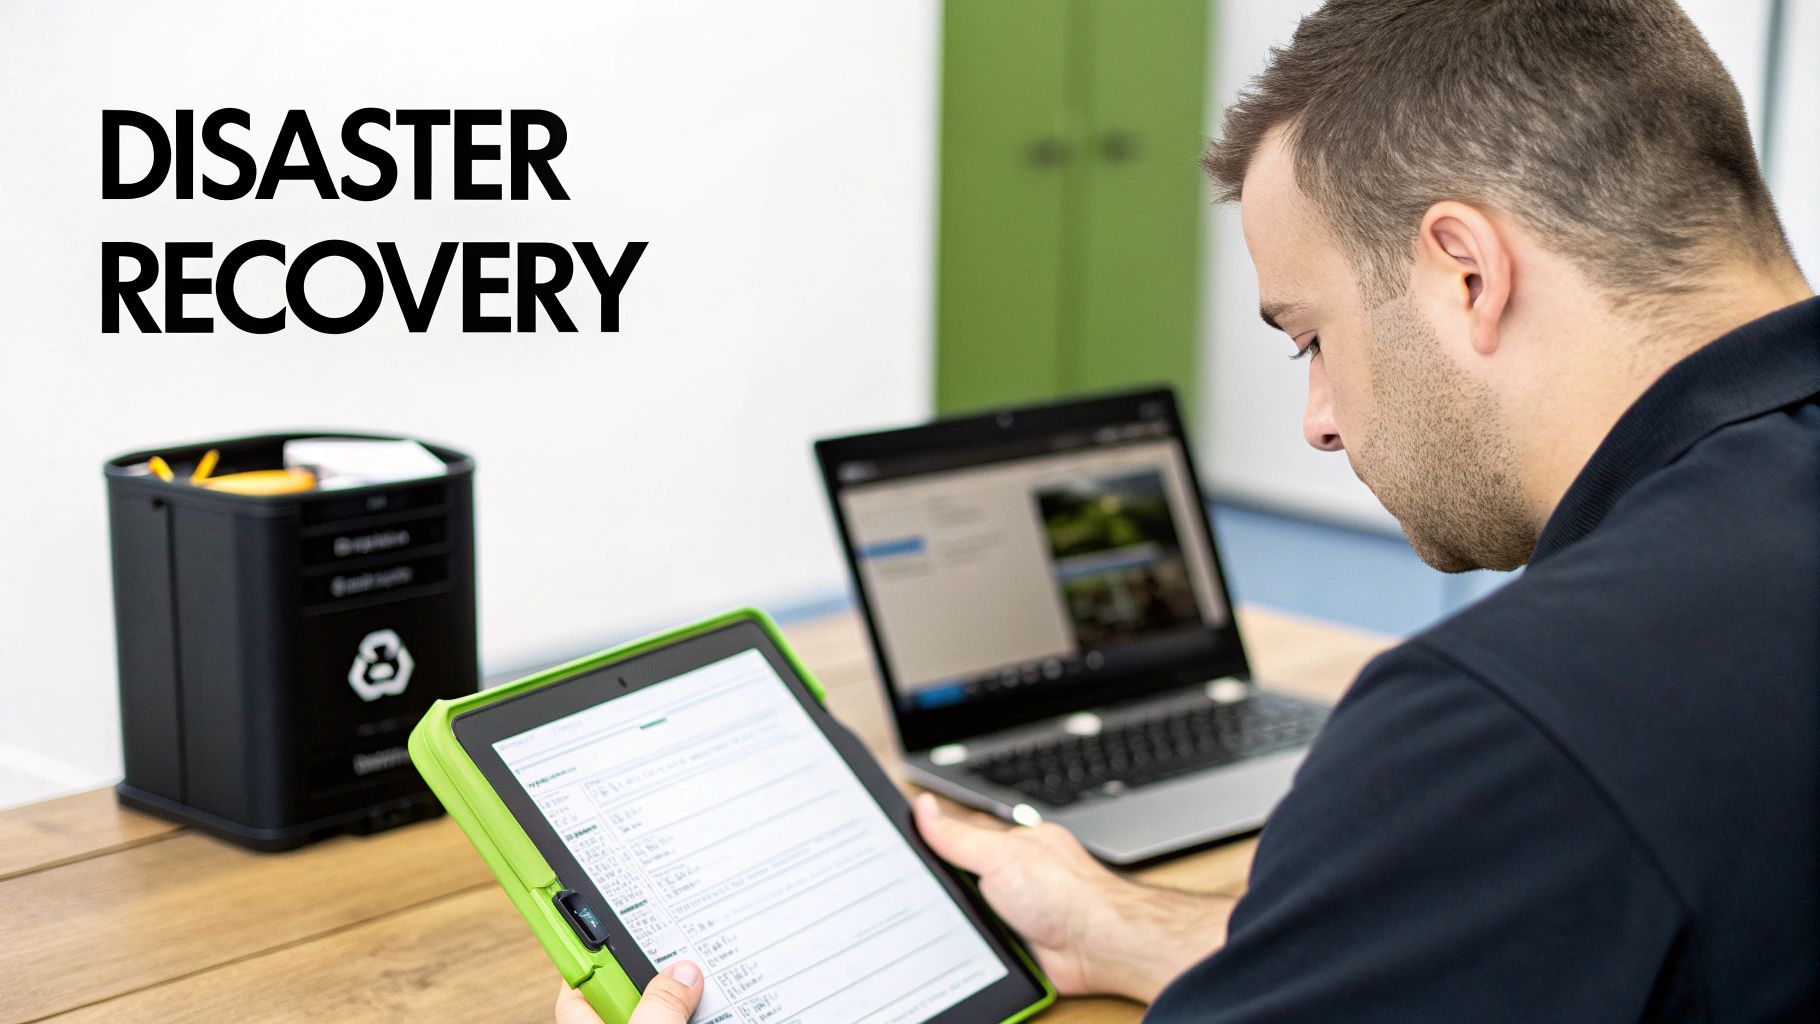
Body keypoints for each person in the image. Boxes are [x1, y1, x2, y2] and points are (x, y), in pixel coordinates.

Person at [564, 0, 1818, 1019]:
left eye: (1308, 339)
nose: (1320, 419)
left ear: (1466, 272)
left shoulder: (1510, 728)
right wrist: (1127, 925)